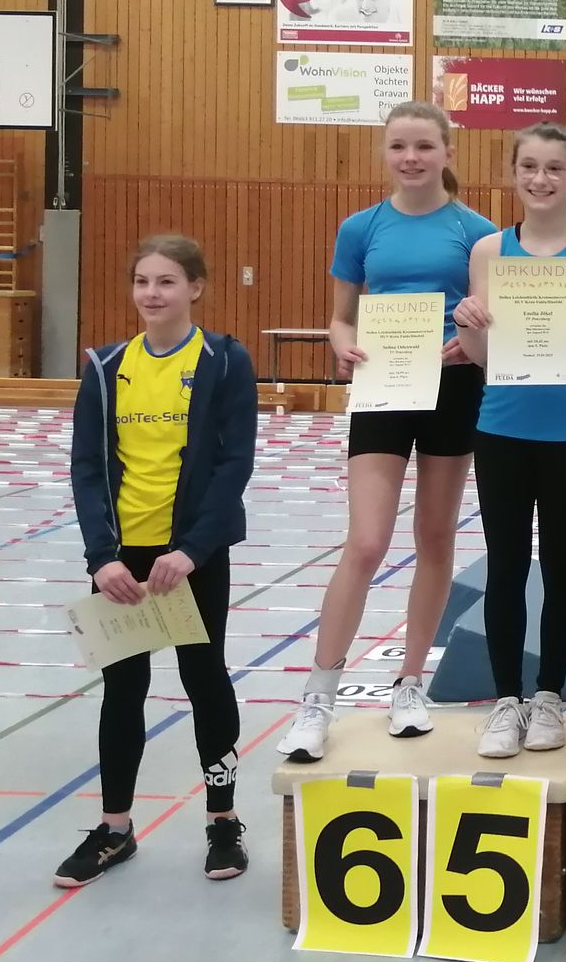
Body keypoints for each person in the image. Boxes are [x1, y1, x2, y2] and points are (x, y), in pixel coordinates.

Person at [278, 103, 497, 761]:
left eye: (424, 146)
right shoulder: (361, 227)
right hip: (384, 387)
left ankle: (409, 684)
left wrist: (468, 342)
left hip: (453, 387)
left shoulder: (477, 233)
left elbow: (487, 319)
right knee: (368, 541)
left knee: (435, 536)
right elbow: (341, 317)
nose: (411, 158)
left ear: (447, 152)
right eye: (399, 146)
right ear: (385, 152)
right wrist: (342, 344)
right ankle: (319, 695)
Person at [58, 236, 257, 886]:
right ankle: (114, 828)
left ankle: (223, 821)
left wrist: (192, 550)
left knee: (205, 680)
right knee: (123, 689)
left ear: (195, 287)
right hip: (122, 561)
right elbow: (87, 467)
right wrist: (102, 558)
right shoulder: (105, 366)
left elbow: (234, 463)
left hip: (191, 558)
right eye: (142, 280)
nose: (152, 293)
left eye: (167, 281)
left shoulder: (224, 361)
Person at [453, 127, 566, 757]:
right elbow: (479, 353)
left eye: (555, 168)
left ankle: (550, 695)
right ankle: (507, 699)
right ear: (513, 173)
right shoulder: (489, 250)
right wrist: (468, 323)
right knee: (505, 564)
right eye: (529, 166)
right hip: (502, 428)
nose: (541, 179)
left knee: (561, 564)